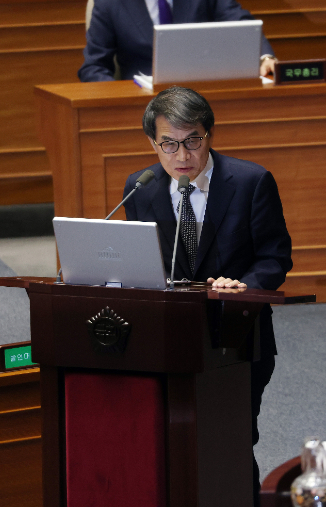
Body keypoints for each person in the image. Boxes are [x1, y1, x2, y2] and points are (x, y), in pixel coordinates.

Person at [122, 85, 293, 505]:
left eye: (192, 141)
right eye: (169, 144)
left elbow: (275, 257)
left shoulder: (251, 181)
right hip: (169, 340)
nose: (182, 156)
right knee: (169, 436)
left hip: (237, 339)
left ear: (209, 135)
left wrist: (245, 286)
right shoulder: (141, 188)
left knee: (231, 438)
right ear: (153, 143)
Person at [79, 0, 277, 82]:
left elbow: (240, 24)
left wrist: (264, 57)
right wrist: (121, 99)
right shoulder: (109, 4)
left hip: (204, 98)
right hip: (142, 108)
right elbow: (93, 67)